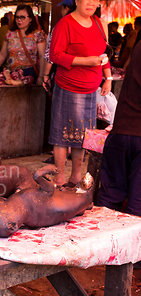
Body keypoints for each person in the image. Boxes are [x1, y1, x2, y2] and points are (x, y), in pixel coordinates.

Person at [48, 0, 112, 187]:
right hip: (68, 85)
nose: (91, 3)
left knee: (83, 137)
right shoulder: (65, 24)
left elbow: (104, 54)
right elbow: (55, 55)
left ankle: (76, 177)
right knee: (62, 135)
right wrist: (86, 61)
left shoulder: (101, 24)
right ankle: (59, 178)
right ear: (77, 0)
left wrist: (108, 78)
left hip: (91, 89)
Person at [96, 41, 141, 216]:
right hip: (134, 134)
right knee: (136, 208)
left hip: (121, 130)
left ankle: (100, 240)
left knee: (108, 201)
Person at [0, 5, 45, 85]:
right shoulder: (9, 34)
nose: (19, 20)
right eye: (17, 17)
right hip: (11, 75)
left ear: (30, 19)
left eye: (22, 17)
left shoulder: (38, 35)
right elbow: (2, 54)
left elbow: (43, 57)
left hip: (29, 75)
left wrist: (41, 77)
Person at [42, 0, 74, 92]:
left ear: (66, 8)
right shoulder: (88, 24)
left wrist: (46, 75)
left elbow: (50, 54)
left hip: (63, 75)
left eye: (62, 8)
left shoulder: (61, 25)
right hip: (84, 78)